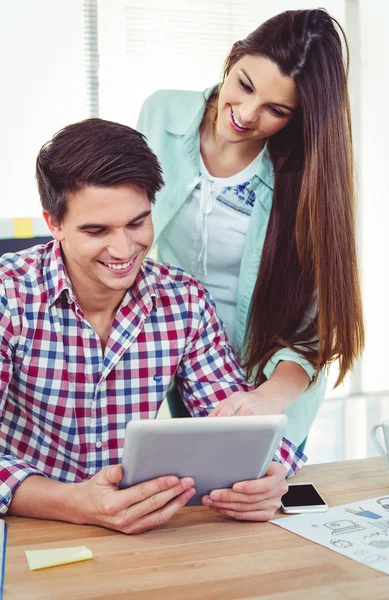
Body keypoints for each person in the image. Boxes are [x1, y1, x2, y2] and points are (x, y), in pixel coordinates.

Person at [0, 118, 306, 534]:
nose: (124, 250)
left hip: (143, 535)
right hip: (26, 534)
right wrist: (77, 502)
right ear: (54, 223)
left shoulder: (183, 301)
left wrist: (270, 475)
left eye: (136, 223)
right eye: (96, 230)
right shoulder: (9, 296)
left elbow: (239, 425)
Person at [136, 8, 365, 447]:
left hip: (268, 374)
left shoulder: (306, 179)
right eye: (243, 84)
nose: (244, 113)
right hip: (179, 361)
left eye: (275, 110)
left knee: (255, 494)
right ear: (234, 57)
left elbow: (311, 329)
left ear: (297, 118)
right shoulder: (160, 113)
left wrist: (267, 398)